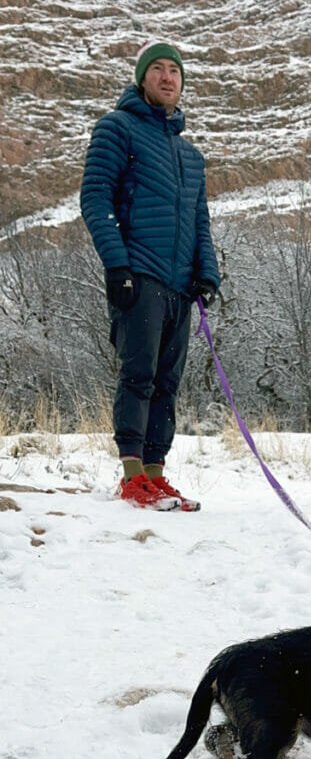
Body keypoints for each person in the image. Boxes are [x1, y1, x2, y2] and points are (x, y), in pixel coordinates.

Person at [80, 39, 220, 512]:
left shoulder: (191, 156)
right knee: (138, 375)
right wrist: (117, 264)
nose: (167, 77)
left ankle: (156, 477)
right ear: (142, 78)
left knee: (167, 383)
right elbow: (95, 198)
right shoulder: (117, 128)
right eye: (157, 69)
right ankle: (132, 477)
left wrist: (208, 275)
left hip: (181, 286)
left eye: (174, 71)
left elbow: (200, 220)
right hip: (139, 274)